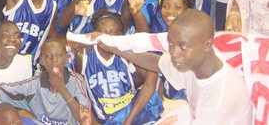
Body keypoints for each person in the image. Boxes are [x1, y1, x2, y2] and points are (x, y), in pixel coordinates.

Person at [93, 9, 253, 124]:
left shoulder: (219, 100)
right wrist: (114, 47)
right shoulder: (196, 63)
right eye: (170, 44)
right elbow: (156, 63)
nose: (174, 53)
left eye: (182, 46)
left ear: (207, 45)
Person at [0, 39, 89, 125]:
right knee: (7, 114)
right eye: (48, 56)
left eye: (59, 55)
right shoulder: (34, 85)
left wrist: (62, 89)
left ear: (66, 59)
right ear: (42, 61)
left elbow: (84, 119)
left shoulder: (77, 81)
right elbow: (5, 88)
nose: (54, 60)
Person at [71, 10, 162, 124]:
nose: (107, 37)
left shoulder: (127, 55)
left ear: (121, 36)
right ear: (93, 33)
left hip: (131, 114)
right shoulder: (83, 55)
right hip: (105, 120)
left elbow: (151, 72)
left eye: (113, 34)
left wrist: (128, 120)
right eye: (101, 32)